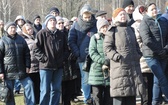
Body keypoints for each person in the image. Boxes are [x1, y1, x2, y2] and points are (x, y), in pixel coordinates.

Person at [104, 8, 143, 105]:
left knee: (131, 97)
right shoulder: (112, 30)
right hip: (119, 69)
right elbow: (107, 48)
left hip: (133, 68)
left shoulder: (131, 29)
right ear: (115, 17)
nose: (123, 16)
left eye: (124, 14)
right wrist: (117, 57)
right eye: (120, 15)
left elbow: (137, 46)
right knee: (119, 98)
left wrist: (138, 55)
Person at [33, 15, 68, 105]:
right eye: (50, 20)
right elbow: (36, 49)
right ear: (47, 22)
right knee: (45, 90)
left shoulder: (61, 35)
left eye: (54, 20)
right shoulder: (41, 33)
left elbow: (66, 49)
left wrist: (62, 59)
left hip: (58, 67)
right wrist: (44, 59)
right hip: (45, 67)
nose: (52, 22)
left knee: (56, 89)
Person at [139, 3, 168, 105]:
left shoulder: (162, 21)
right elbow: (146, 40)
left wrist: (165, 50)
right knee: (162, 78)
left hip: (163, 55)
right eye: (152, 9)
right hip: (151, 55)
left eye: (155, 9)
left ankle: (155, 102)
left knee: (157, 81)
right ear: (146, 12)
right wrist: (159, 51)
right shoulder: (144, 22)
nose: (154, 11)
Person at [0, 22, 35, 105]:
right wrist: (1, 71)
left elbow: (27, 54)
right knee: (9, 92)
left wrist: (27, 66)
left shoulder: (21, 39)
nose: (13, 29)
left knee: (29, 84)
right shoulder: (2, 40)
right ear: (7, 29)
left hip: (21, 70)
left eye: (14, 27)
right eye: (11, 27)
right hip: (8, 72)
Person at [68, 4, 97, 104]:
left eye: (89, 17)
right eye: (85, 17)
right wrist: (77, 53)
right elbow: (71, 41)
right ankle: (87, 98)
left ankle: (96, 97)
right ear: (81, 16)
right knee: (85, 79)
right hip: (82, 57)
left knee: (97, 78)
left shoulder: (96, 24)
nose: (88, 19)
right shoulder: (75, 25)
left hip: (95, 56)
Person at [132, 5, 153, 105]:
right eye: (142, 11)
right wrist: (145, 49)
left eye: (145, 11)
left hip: (153, 56)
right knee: (144, 83)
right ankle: (145, 102)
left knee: (151, 83)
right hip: (143, 58)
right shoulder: (135, 26)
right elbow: (137, 41)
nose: (144, 13)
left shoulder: (152, 22)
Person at [88, 18, 113, 105]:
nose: (105, 29)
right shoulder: (94, 38)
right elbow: (92, 52)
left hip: (110, 71)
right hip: (97, 71)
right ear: (99, 28)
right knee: (97, 96)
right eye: (103, 27)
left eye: (106, 26)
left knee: (109, 97)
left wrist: (109, 62)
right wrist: (103, 61)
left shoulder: (112, 37)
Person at [21, 23, 40, 104]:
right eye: (28, 29)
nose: (30, 30)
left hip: (38, 65)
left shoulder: (37, 37)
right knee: (29, 86)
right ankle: (28, 101)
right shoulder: (23, 39)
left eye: (31, 29)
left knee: (37, 85)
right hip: (29, 66)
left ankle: (37, 101)